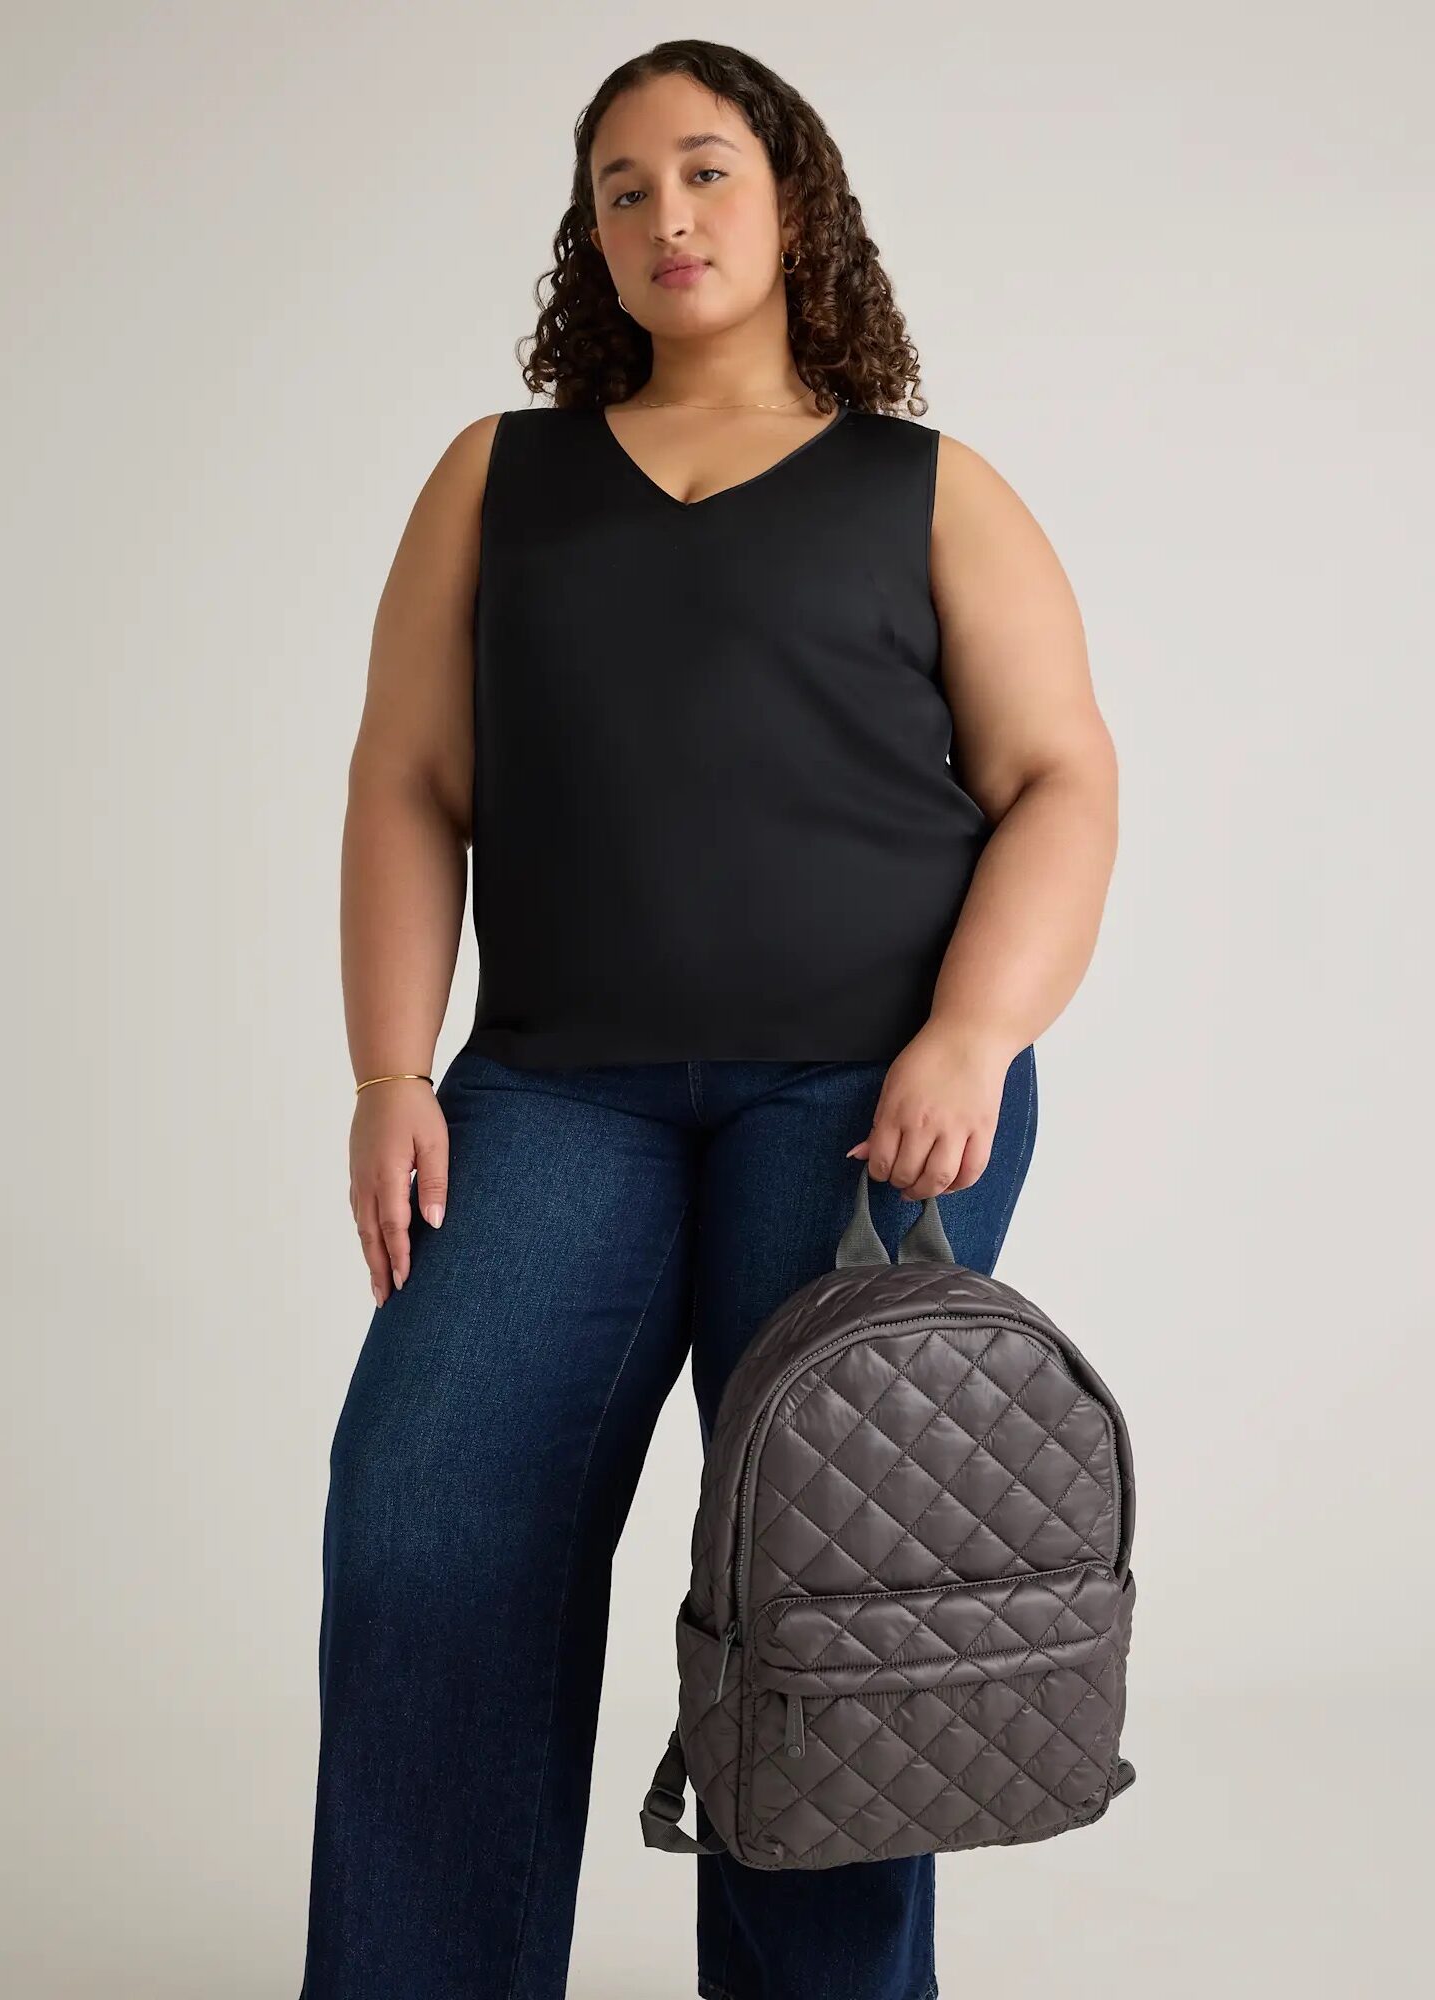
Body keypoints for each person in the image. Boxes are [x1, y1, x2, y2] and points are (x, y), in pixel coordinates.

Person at [297, 36, 1118, 2000]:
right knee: (424, 1541)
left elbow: (1061, 780)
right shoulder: (503, 477)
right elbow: (407, 777)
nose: (669, 213)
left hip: (864, 1096)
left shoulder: (931, 488)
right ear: (590, 238)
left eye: (708, 170)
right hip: (551, 1097)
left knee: (826, 1607)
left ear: (793, 198)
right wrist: (391, 1071)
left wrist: (973, 1037)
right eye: (623, 187)